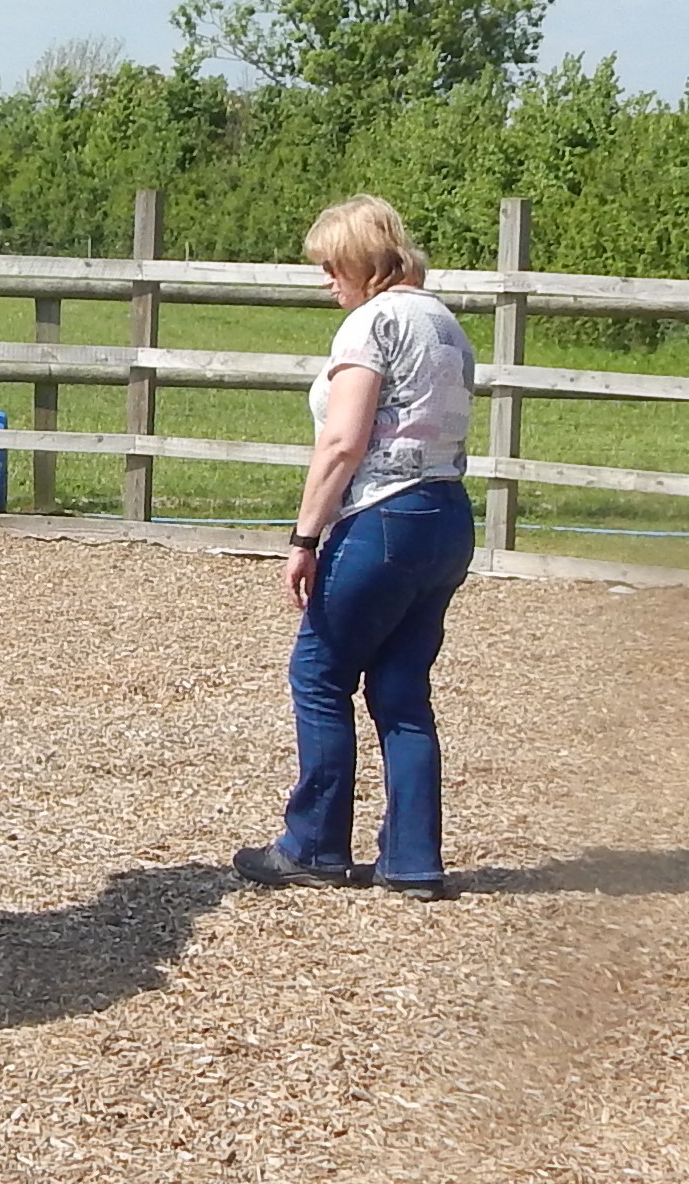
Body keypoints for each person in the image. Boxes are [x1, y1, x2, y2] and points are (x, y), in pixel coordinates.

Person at [232, 195, 477, 903]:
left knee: (318, 673)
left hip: (382, 515)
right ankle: (413, 860)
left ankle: (313, 845)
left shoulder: (372, 322)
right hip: (446, 515)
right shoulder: (444, 322)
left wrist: (304, 536)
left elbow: (342, 441)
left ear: (361, 262)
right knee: (401, 691)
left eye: (331, 266)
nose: (325, 281)